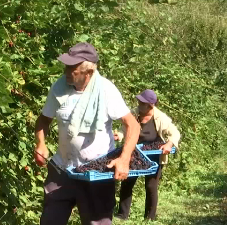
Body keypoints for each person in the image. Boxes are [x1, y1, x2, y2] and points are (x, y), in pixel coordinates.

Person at [34, 42, 140, 225]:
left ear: (88, 72)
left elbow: (132, 125)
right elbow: (43, 120)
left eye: (71, 68)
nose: (66, 71)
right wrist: (40, 144)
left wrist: (124, 159)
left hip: (96, 172)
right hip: (62, 168)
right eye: (65, 66)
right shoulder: (58, 89)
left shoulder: (106, 90)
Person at [114, 89, 180, 221]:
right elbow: (124, 128)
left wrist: (169, 144)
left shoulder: (161, 118)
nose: (138, 104)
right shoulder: (134, 113)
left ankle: (149, 218)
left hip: (153, 156)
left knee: (151, 186)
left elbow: (175, 133)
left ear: (150, 105)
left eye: (141, 102)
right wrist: (119, 135)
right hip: (134, 154)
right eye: (138, 101)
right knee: (127, 183)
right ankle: (122, 215)